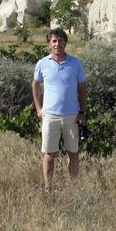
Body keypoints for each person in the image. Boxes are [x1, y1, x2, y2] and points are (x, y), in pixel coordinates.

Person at [32, 28, 87, 192]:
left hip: (72, 116)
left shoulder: (76, 63)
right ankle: (48, 186)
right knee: (49, 154)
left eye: (61, 40)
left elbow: (83, 87)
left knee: (73, 153)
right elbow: (35, 84)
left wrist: (82, 112)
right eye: (54, 41)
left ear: (65, 43)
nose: (58, 44)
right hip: (49, 116)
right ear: (49, 44)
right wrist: (38, 109)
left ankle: (73, 187)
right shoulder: (42, 63)